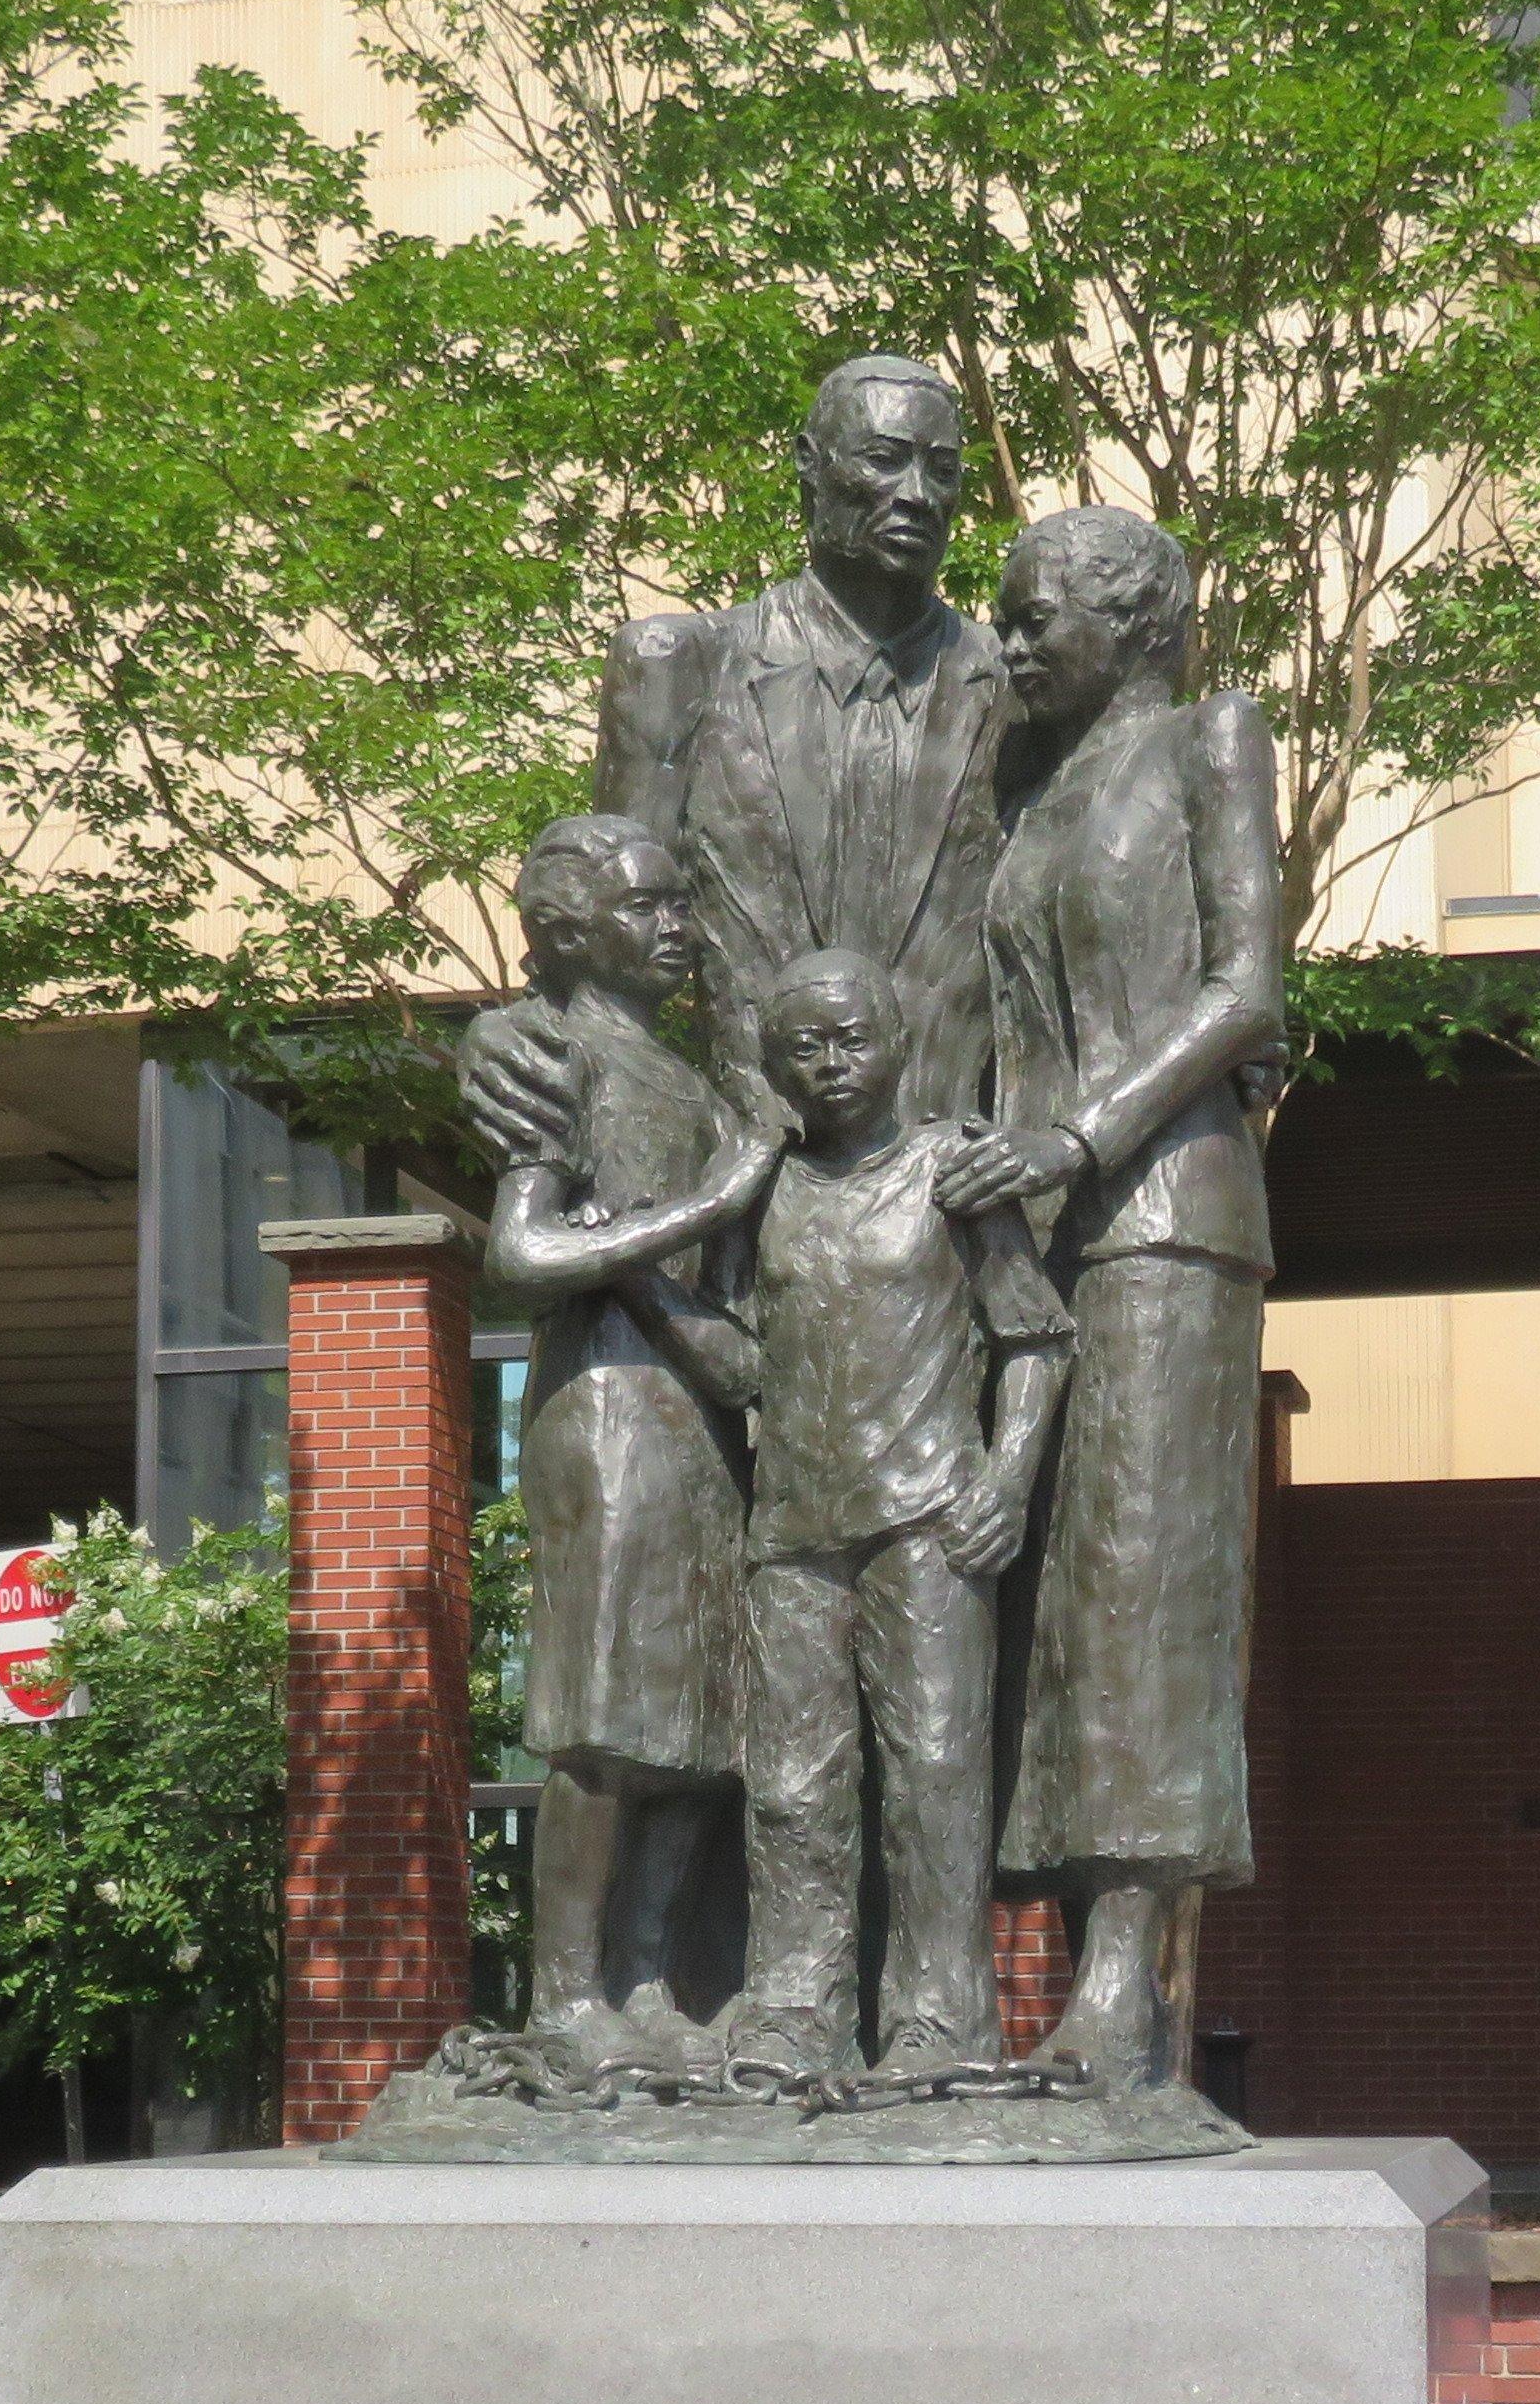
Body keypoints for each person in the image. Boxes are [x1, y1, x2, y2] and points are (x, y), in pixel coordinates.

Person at [940, 504, 1283, 2091]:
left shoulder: (1212, 742)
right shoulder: (1030, 786)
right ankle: (1073, 1991)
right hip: (1033, 1237)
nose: (1010, 642)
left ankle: (1125, 1985)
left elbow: (1244, 991)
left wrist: (1079, 1136)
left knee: (1141, 1595)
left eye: (1036, 617)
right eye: (1001, 617)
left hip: (1163, 1223)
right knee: (1048, 1612)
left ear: (1137, 624)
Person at [708, 952, 1070, 2086]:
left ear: (897, 1041)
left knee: (935, 1776)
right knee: (795, 1786)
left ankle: (937, 2023)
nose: (830, 1062)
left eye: (851, 1037)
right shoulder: (756, 1191)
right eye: (804, 1045)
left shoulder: (953, 1170)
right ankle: (796, 2011)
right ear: (775, 1065)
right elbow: (730, 1351)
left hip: (930, 1526)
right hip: (796, 1535)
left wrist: (1006, 1481)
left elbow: (1037, 1340)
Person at [464, 813, 784, 2081]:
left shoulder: (696, 1081)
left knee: (701, 1730)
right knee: (601, 1728)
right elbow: (519, 1257)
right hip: (603, 1417)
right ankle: (564, 1998)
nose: (677, 927)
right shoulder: (554, 1056)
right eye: (648, 907)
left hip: (700, 1417)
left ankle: (646, 1982)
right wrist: (711, 1201)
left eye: (678, 904)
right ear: (569, 930)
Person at [574, 355, 1009, 1139]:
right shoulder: (684, 666)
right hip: (750, 1171)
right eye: (885, 459)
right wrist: (526, 1043)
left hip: (957, 1178)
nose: (917, 493)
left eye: (941, 470)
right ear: (811, 466)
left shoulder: (1013, 689)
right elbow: (608, 952)